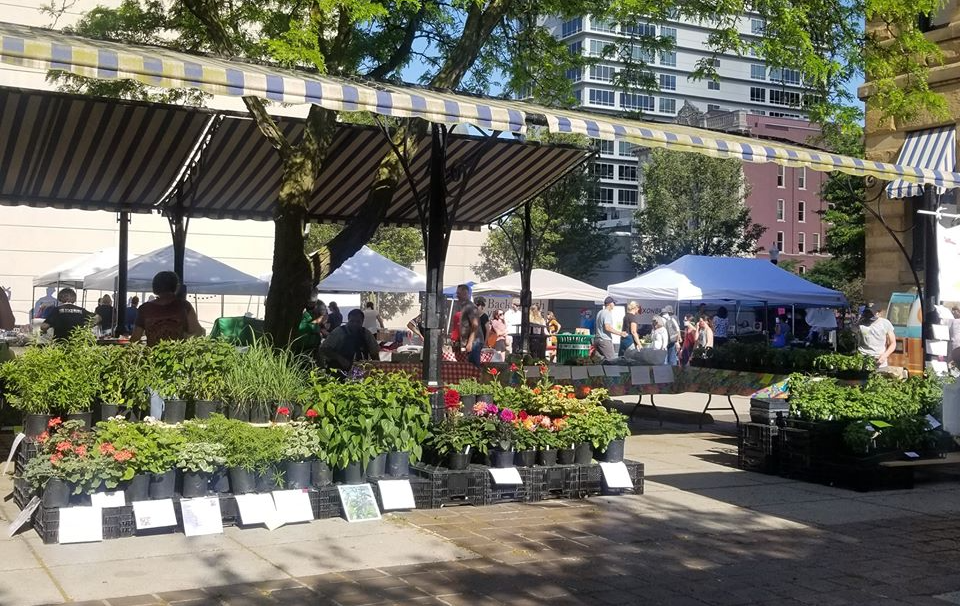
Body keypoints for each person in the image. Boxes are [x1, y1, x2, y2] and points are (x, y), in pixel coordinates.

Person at [130, 271, 205, 346]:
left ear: (155, 286)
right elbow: (197, 333)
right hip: (178, 351)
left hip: (154, 352)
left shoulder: (144, 309)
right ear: (176, 286)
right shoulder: (184, 306)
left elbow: (135, 338)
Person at [456, 284, 482, 366]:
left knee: (473, 367)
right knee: (468, 366)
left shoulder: (470, 306)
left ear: (465, 293)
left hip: (475, 342)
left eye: (458, 293)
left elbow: (475, 325)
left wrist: (470, 342)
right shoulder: (463, 306)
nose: (457, 296)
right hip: (469, 341)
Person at [594, 296, 626, 361]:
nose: (614, 305)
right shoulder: (607, 313)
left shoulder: (600, 312)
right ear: (609, 304)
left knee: (601, 361)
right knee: (612, 361)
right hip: (605, 340)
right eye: (613, 303)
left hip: (597, 339)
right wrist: (620, 333)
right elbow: (607, 327)